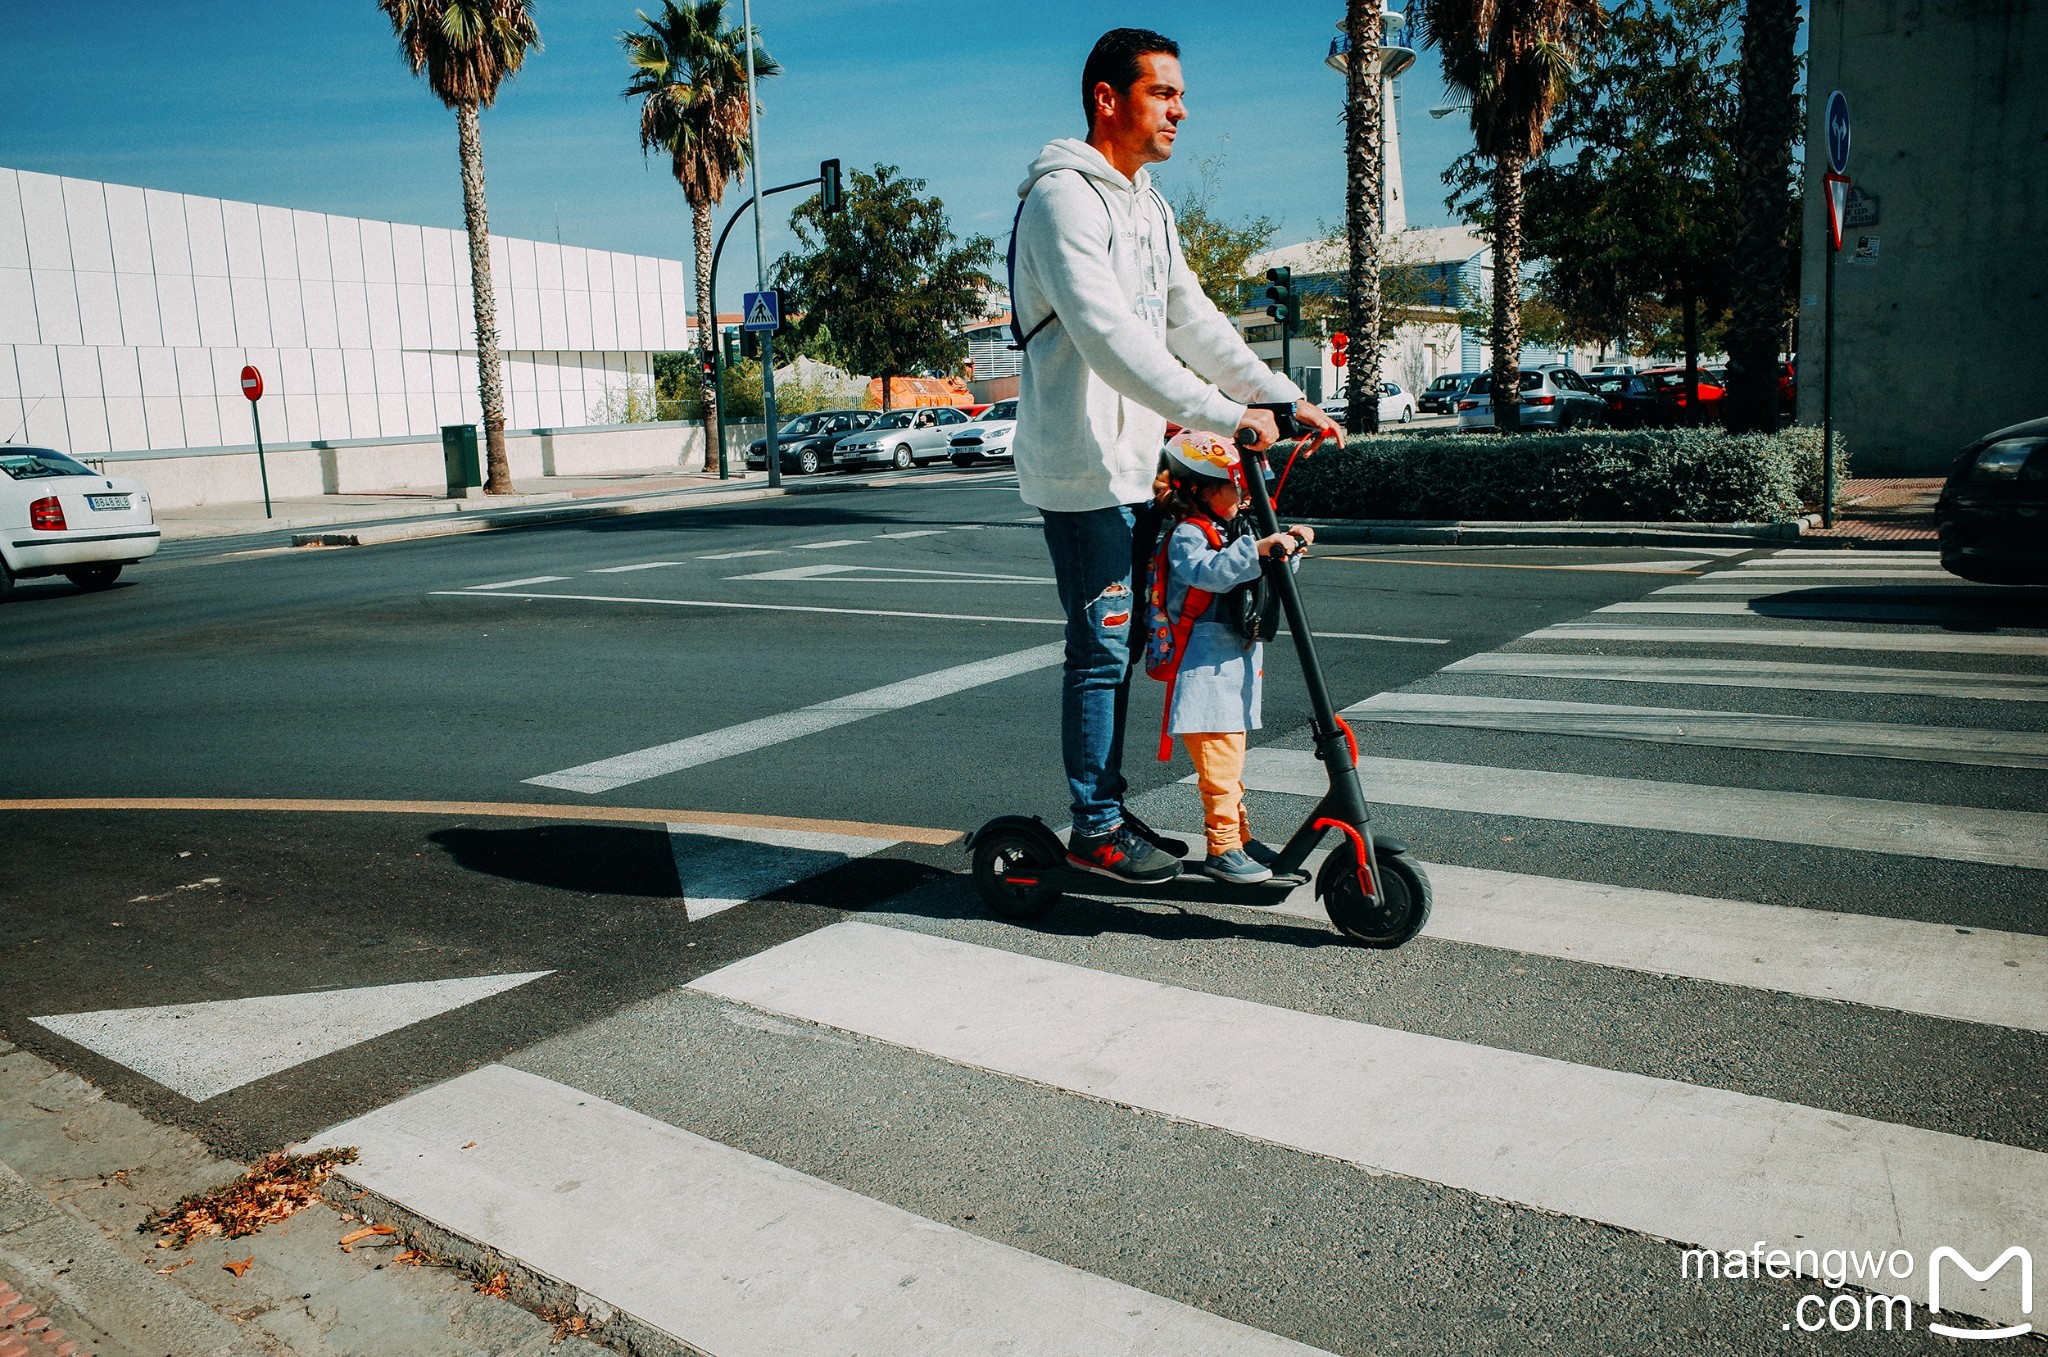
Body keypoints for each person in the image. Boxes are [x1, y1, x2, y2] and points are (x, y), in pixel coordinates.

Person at [1009, 26, 1339, 884]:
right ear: (1108, 99)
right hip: (1083, 467)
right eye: (1163, 93)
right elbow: (1113, 341)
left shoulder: (1146, 202)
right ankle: (1096, 824)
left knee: (1147, 635)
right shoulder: (1062, 202)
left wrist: (1277, 394)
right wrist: (1225, 416)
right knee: (1103, 645)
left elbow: (1191, 318)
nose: (1181, 110)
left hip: (1136, 464)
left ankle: (1145, 815)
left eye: (1181, 95)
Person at [1149, 431, 1314, 884]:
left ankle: (1239, 837)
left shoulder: (1233, 529)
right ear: (1202, 491)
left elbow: (1263, 568)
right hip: (1202, 669)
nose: (1243, 497)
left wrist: (1288, 547)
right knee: (1220, 769)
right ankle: (1223, 847)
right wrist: (1258, 549)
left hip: (1230, 665)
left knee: (1230, 765)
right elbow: (1211, 574)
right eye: (1235, 488)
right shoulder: (1187, 534)